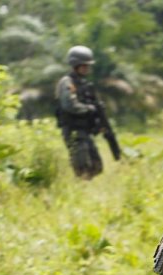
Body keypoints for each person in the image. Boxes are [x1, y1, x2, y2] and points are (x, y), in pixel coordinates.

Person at [55, 45, 104, 179]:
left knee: (96, 166)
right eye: (84, 65)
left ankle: (86, 186)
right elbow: (69, 105)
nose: (87, 68)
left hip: (84, 130)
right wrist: (89, 109)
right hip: (73, 130)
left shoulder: (84, 84)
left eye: (88, 65)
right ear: (75, 65)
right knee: (83, 167)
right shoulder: (67, 83)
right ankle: (80, 187)